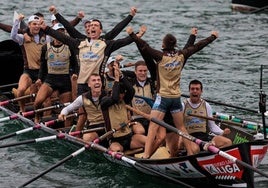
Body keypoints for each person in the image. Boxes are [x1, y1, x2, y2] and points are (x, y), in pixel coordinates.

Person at [43, 5, 145, 134]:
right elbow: (66, 33)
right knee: (83, 114)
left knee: (101, 112)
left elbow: (119, 34)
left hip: (97, 84)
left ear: (100, 30)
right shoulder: (80, 42)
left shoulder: (105, 44)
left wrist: (135, 32)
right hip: (83, 85)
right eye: (90, 26)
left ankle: (103, 134)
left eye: (95, 25)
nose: (92, 27)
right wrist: (49, 23)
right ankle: (77, 135)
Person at [126, 26, 219, 158]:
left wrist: (132, 35)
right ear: (174, 44)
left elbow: (145, 46)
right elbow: (197, 47)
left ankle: (146, 155)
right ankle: (191, 152)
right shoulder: (181, 55)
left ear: (163, 45)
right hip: (176, 99)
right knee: (181, 128)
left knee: (153, 125)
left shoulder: (160, 57)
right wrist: (212, 37)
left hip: (163, 98)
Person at [33, 23, 79, 126]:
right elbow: (43, 66)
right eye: (57, 33)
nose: (59, 36)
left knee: (67, 109)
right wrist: (40, 78)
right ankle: (37, 117)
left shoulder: (69, 47)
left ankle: (67, 131)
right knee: (37, 102)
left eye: (61, 33)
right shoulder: (45, 48)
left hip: (65, 81)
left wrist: (75, 73)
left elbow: (75, 64)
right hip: (50, 80)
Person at [100, 62, 146, 152]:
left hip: (130, 137)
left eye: (123, 94)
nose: (122, 96)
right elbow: (115, 97)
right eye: (120, 94)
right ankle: (112, 150)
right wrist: (116, 79)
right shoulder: (105, 102)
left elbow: (131, 90)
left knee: (150, 141)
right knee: (117, 150)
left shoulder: (124, 99)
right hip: (115, 140)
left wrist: (121, 76)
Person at [11, 14, 51, 112]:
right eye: (34, 24)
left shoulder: (46, 37)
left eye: (38, 24)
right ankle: (22, 110)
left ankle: (44, 115)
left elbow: (55, 34)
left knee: (46, 99)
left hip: (42, 72)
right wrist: (17, 21)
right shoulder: (23, 38)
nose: (36, 26)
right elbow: (13, 36)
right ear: (29, 25)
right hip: (29, 70)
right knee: (20, 90)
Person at [179, 79, 232, 154]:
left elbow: (212, 126)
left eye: (197, 89)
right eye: (192, 89)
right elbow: (178, 125)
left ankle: (212, 159)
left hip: (204, 137)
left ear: (201, 91)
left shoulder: (206, 105)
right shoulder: (183, 105)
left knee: (228, 142)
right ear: (189, 91)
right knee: (195, 150)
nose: (195, 91)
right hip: (190, 137)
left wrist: (222, 132)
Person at [58, 73, 107, 143]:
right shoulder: (82, 98)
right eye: (94, 80)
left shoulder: (108, 95)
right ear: (89, 85)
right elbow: (68, 108)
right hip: (94, 127)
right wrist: (62, 113)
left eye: (99, 80)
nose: (97, 82)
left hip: (108, 126)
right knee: (87, 138)